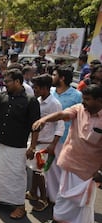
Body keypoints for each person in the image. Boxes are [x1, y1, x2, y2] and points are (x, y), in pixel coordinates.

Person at [32, 85, 102, 223]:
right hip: (70, 162)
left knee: (84, 203)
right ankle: (56, 220)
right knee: (62, 195)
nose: (83, 102)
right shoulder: (79, 109)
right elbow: (63, 114)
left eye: (88, 99)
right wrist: (44, 119)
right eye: (83, 98)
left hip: (89, 170)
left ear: (99, 101)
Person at [0, 68, 40, 219]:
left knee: (17, 176)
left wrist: (32, 146)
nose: (4, 84)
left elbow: (35, 126)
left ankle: (20, 206)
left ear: (18, 82)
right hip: (0, 142)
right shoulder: (2, 96)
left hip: (18, 146)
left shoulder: (30, 101)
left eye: (7, 81)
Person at [25, 74, 64, 212]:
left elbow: (60, 126)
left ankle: (44, 199)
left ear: (45, 88)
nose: (34, 90)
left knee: (40, 172)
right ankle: (33, 193)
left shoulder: (54, 104)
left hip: (46, 144)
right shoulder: (38, 100)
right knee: (35, 170)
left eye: (37, 88)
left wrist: (53, 144)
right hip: (36, 140)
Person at [47, 65, 82, 203]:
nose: (52, 77)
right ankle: (47, 194)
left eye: (54, 74)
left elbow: (81, 118)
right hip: (48, 137)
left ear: (62, 78)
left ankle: (60, 197)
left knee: (62, 170)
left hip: (66, 139)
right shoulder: (50, 91)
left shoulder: (77, 95)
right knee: (47, 167)